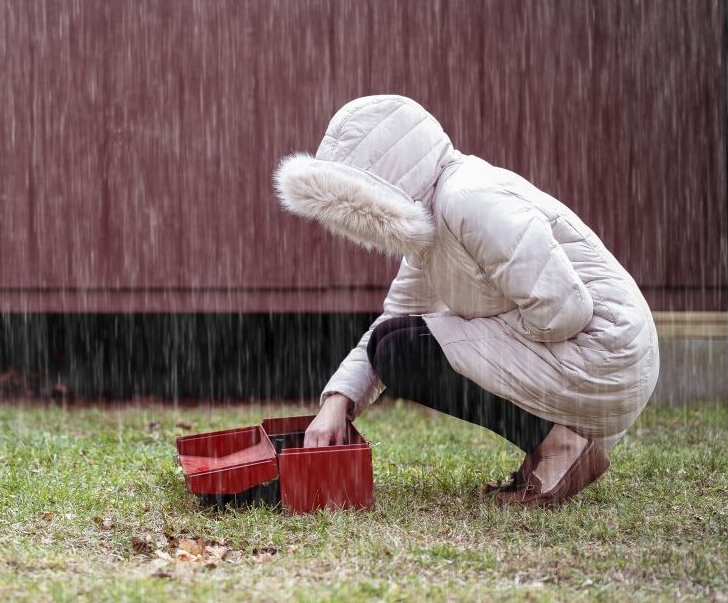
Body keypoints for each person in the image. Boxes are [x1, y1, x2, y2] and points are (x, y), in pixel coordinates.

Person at [273, 95, 659, 508]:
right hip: (595, 353)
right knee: (395, 342)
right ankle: (552, 444)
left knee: (402, 349)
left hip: (606, 351)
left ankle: (561, 448)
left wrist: (480, 328)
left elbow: (565, 310)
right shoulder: (435, 223)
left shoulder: (468, 197)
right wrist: (338, 403)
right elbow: (395, 316)